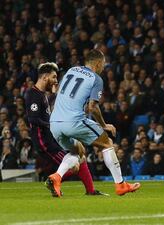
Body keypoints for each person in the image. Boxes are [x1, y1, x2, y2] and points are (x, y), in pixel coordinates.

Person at [48, 49, 140, 197]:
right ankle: (121, 185)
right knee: (107, 143)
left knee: (77, 152)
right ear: (97, 63)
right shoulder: (96, 79)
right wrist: (104, 125)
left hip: (54, 122)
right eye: (103, 64)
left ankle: (57, 177)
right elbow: (93, 107)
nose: (103, 67)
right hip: (73, 121)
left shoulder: (72, 70)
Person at [25, 62, 105, 196]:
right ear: (45, 77)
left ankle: (90, 190)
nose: (56, 81)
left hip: (51, 138)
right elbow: (33, 119)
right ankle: (53, 180)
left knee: (80, 157)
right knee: (75, 163)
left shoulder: (42, 94)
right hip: (44, 141)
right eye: (54, 77)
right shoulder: (34, 94)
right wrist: (51, 124)